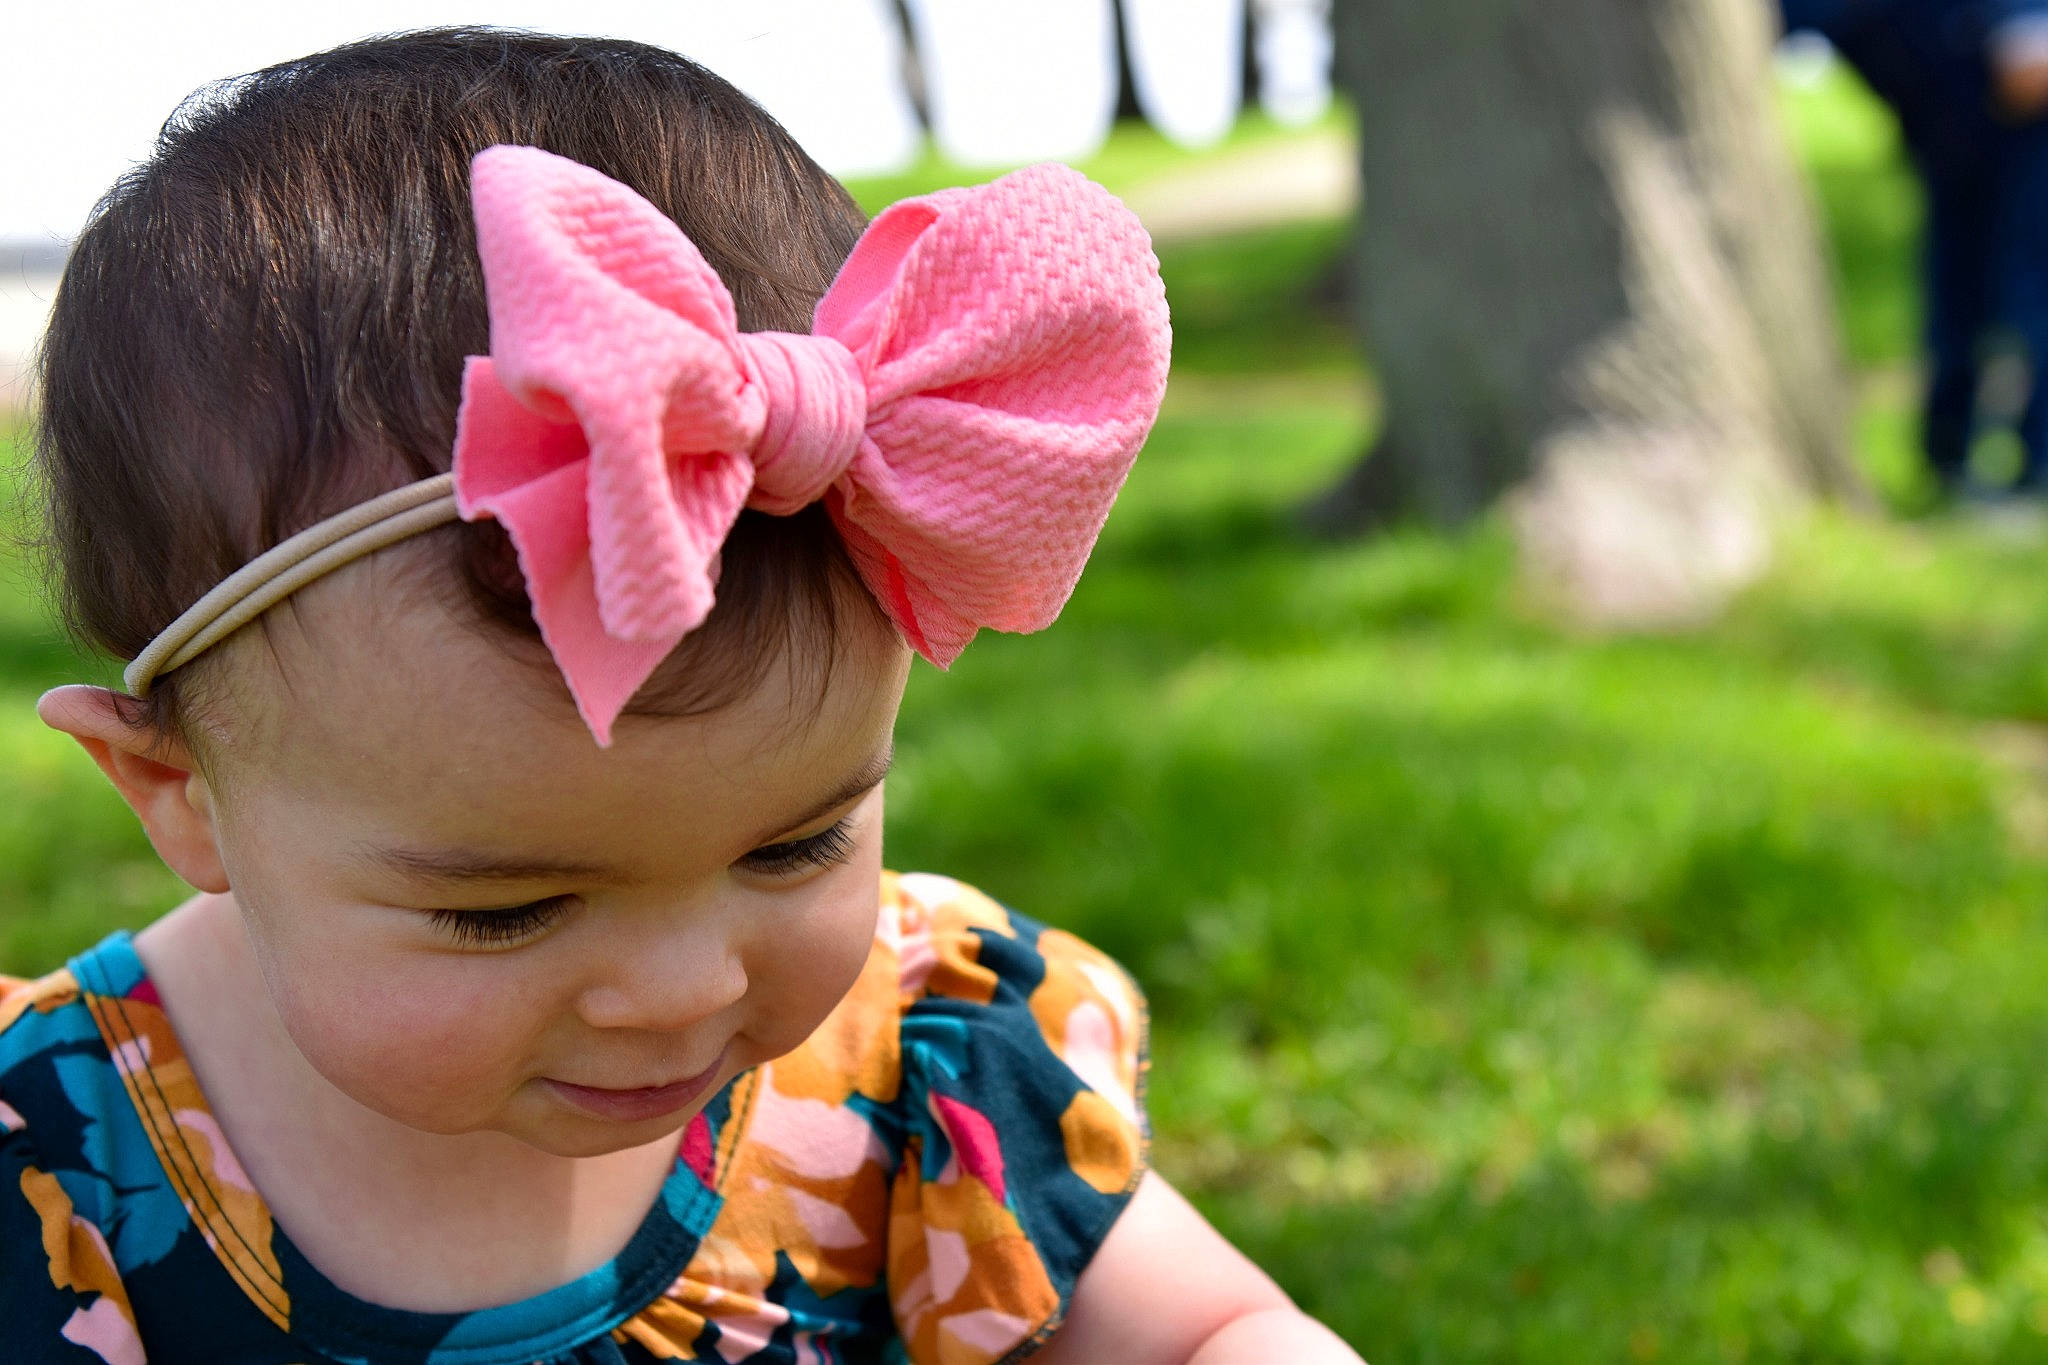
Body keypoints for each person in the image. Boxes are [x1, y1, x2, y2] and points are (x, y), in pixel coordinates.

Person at [0, 29, 1361, 1365]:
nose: (680, 989)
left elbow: (1207, 1332)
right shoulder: (58, 1174)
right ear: (178, 790)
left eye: (795, 842)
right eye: (505, 908)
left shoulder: (918, 1062)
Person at [1782, 0, 2048, 498]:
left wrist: (2029, 21)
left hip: (2013, 76)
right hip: (1946, 93)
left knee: (2030, 287)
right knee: (1960, 281)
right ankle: (1950, 459)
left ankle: (2033, 465)